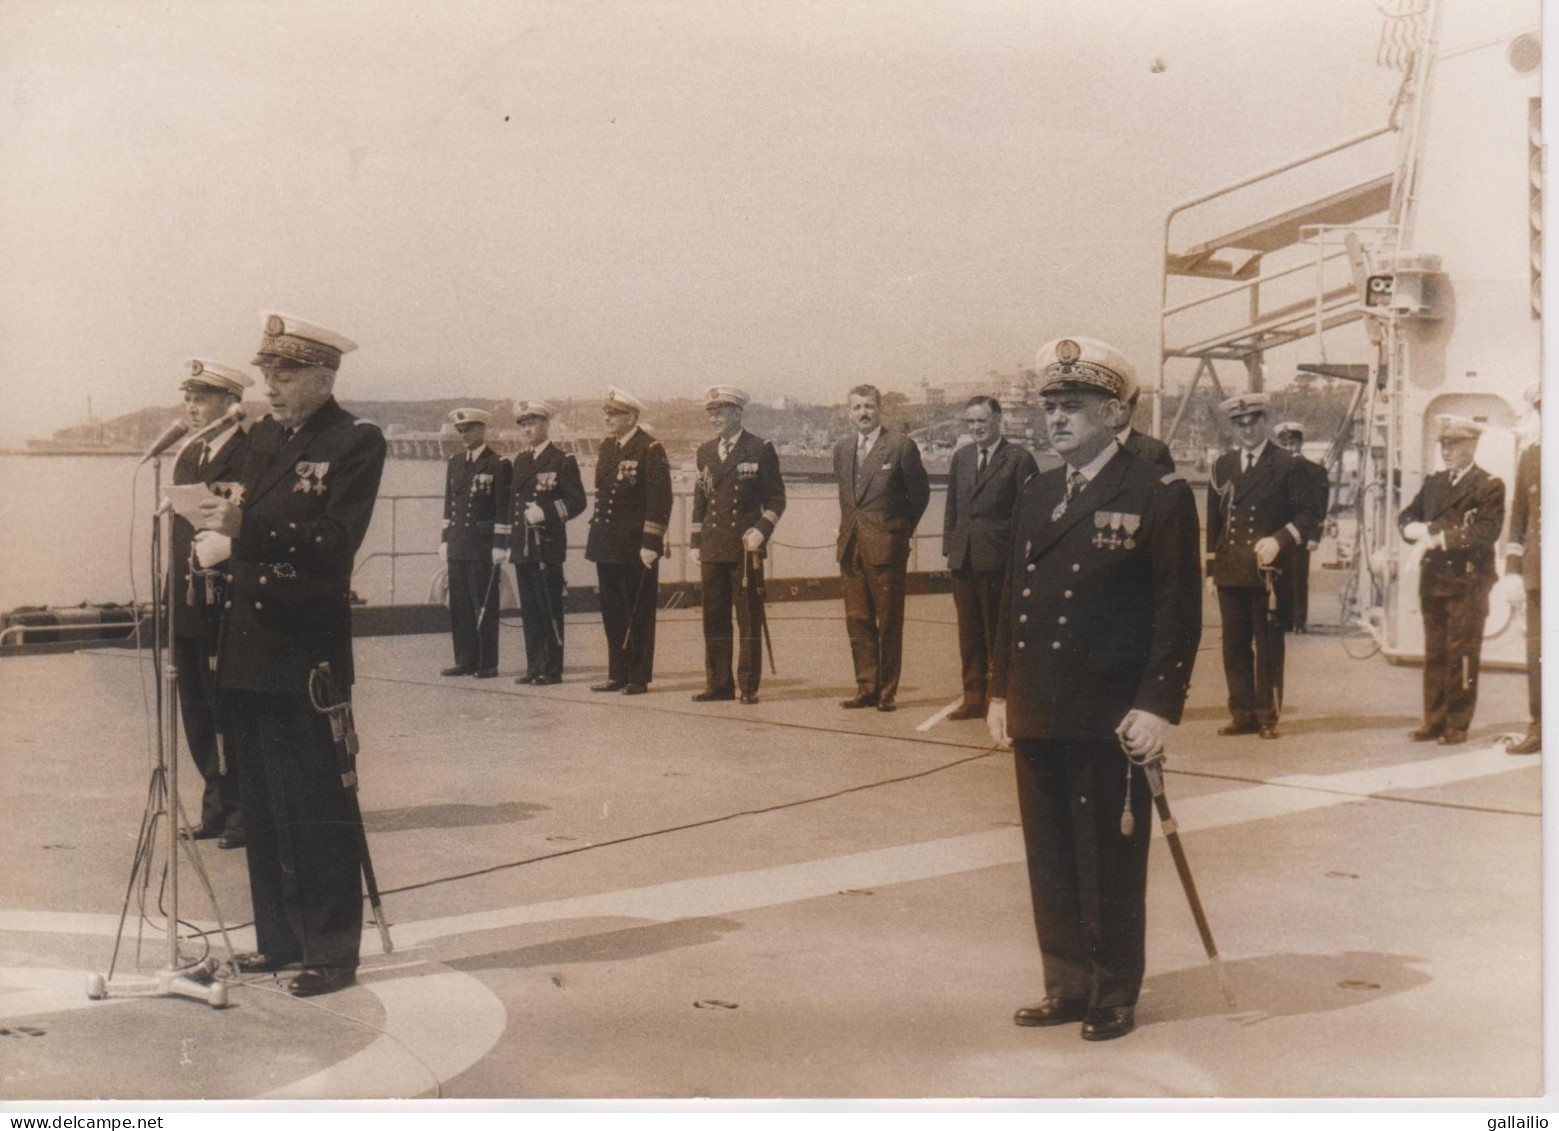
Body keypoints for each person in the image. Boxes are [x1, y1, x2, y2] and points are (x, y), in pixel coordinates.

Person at [987, 336, 1202, 1043]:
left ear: (1115, 414)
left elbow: (1176, 614)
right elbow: (1010, 600)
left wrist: (1157, 705)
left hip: (1111, 713)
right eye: (1048, 405)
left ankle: (1113, 989)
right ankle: (1067, 984)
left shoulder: (1155, 493)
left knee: (1107, 856)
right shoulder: (1038, 491)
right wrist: (998, 693)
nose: (1054, 418)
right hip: (1039, 703)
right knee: (1048, 854)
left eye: (1070, 406)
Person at [194, 312, 385, 998]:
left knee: (315, 804)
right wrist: (212, 523)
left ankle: (331, 952)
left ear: (323, 376)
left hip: (305, 653)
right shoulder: (266, 437)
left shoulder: (354, 440)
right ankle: (278, 940)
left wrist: (245, 531)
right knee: (266, 808)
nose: (269, 385)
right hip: (247, 647)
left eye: (284, 373)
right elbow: (229, 497)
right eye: (266, 372)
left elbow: (335, 537)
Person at [1205, 393, 1322, 740]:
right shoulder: (1221, 466)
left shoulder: (1287, 464)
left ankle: (1267, 715)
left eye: (1252, 423)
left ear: (1264, 422)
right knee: (1234, 645)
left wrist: (1280, 539)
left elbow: (1309, 514)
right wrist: (1211, 569)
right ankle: (1242, 714)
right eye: (1239, 425)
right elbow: (1214, 521)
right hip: (1231, 568)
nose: (1247, 430)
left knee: (1268, 646)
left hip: (1268, 571)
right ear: (1233, 428)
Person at [170, 359, 252, 850]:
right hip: (188, 603)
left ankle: (245, 811)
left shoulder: (250, 454)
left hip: (229, 601)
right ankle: (216, 808)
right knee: (196, 708)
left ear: (229, 402)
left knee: (230, 710)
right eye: (189, 398)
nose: (192, 408)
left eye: (201, 398)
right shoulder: (188, 455)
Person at [1399, 414, 1505, 746]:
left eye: (1454, 445)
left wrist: (1439, 537)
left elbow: (1487, 531)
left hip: (1467, 582)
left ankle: (1457, 723)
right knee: (1434, 653)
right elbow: (1408, 515)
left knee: (1462, 653)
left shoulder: (1488, 485)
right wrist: (1411, 529)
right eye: (1443, 445)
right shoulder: (1434, 483)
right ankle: (1434, 719)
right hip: (1434, 580)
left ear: (1471, 446)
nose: (1446, 451)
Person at [833, 384, 930, 712]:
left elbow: (919, 496)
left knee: (888, 621)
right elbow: (848, 499)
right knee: (857, 620)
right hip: (852, 548)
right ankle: (866, 687)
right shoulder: (843, 449)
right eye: (857, 407)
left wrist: (898, 533)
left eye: (869, 407)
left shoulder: (900, 447)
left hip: (886, 547)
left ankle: (887, 691)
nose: (863, 413)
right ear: (849, 412)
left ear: (880, 410)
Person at [689, 385, 786, 704]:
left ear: (737, 413)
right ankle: (719, 684)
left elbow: (776, 499)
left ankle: (748, 685)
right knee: (713, 618)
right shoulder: (704, 451)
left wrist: (762, 529)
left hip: (746, 550)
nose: (714, 417)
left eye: (720, 411)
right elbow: (700, 499)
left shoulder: (759, 449)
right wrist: (694, 541)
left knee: (747, 618)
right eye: (711, 412)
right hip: (713, 548)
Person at [941, 395, 1036, 720]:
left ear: (998, 422)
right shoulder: (962, 457)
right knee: (968, 632)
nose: (976, 427)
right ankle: (973, 696)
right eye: (971, 422)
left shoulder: (1018, 459)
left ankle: (1002, 696)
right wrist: (949, 549)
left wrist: (1020, 563)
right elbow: (952, 508)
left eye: (982, 421)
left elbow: (1028, 516)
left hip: (998, 559)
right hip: (963, 559)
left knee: (998, 632)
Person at [585, 387, 673, 695]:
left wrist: (651, 542)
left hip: (635, 546)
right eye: (606, 414)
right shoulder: (608, 447)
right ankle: (616, 673)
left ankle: (638, 676)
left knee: (638, 611)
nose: (607, 419)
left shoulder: (650, 449)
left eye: (614, 414)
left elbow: (659, 499)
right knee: (612, 611)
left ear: (631, 416)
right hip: (607, 543)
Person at [507, 401, 586, 686]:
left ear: (545, 425)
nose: (527, 429)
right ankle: (534, 666)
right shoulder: (520, 461)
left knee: (548, 608)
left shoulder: (562, 460)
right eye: (523, 424)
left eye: (532, 423)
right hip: (523, 547)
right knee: (529, 610)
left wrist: (546, 513)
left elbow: (578, 502)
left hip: (546, 547)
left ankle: (551, 669)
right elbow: (512, 505)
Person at [438, 408, 511, 679]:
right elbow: (449, 505)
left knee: (484, 606)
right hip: (457, 545)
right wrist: (444, 539)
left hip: (482, 547)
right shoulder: (455, 462)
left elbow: (504, 508)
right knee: (460, 607)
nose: (464, 435)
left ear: (482, 429)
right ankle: (464, 660)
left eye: (468, 429)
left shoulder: (498, 464)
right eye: (460, 430)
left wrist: (500, 544)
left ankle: (487, 663)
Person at [1502, 384, 1542, 755]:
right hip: (1538, 575)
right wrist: (1513, 568)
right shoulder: (1531, 457)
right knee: (1538, 653)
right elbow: (1519, 517)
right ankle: (1540, 727)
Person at [1273, 421, 1330, 633]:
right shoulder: (1274, 469)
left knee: (1298, 576)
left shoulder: (1315, 471)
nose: (1289, 448)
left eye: (1293, 443)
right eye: (1285, 443)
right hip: (1279, 532)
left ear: (1301, 443)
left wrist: (1316, 535)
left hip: (1302, 532)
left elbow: (1320, 505)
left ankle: (1299, 621)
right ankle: (1282, 618)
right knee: (1279, 575)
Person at [1117, 388, 1176, 473]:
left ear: (1133, 408)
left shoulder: (1155, 451)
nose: (1113, 413)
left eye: (1121, 408)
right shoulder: (1092, 448)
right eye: (1109, 407)